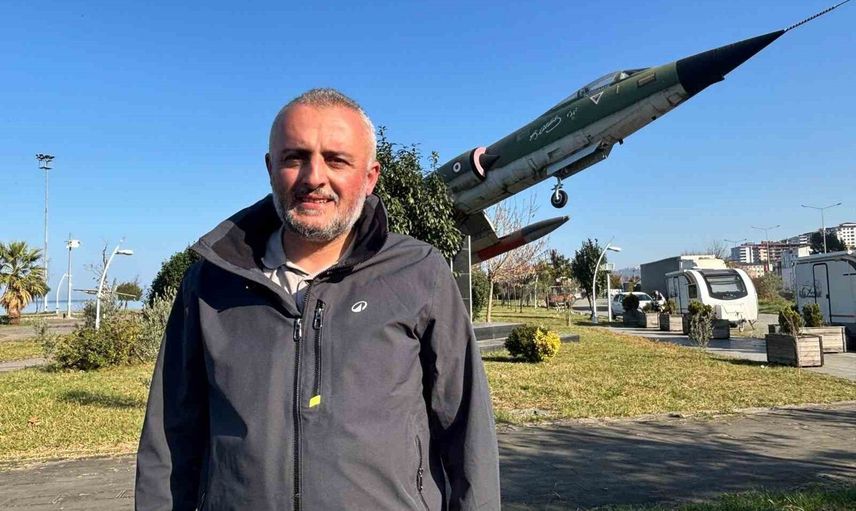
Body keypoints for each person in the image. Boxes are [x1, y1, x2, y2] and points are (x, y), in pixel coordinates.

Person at [135, 88, 501, 510]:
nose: (314, 178)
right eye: (295, 157)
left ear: (370, 177)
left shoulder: (420, 272)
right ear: (270, 168)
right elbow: (171, 437)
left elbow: (466, 430)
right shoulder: (211, 282)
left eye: (336, 160)